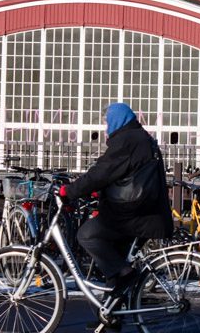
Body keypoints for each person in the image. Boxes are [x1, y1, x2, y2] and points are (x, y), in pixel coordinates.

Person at [61, 102, 173, 298]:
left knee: (87, 235)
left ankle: (126, 274)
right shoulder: (140, 137)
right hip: (147, 211)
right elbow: (125, 175)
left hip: (134, 215)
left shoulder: (127, 140)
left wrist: (69, 191)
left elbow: (101, 173)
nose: (106, 128)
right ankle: (110, 319)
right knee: (114, 264)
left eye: (107, 122)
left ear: (116, 120)